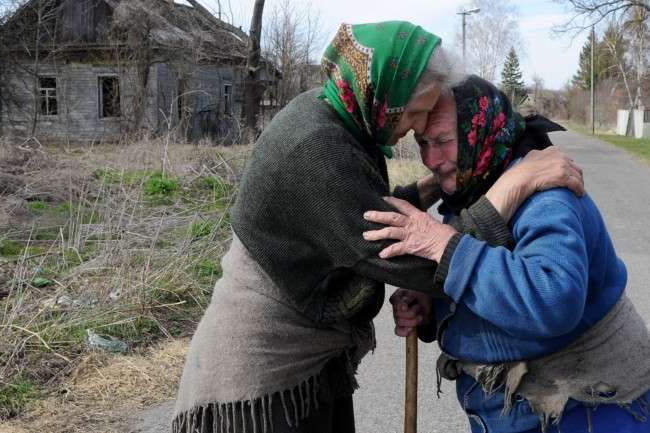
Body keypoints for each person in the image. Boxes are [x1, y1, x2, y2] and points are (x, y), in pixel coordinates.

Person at [172, 22, 584, 433]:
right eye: (414, 114)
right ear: (384, 98)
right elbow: (426, 261)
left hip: (312, 363)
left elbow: (373, 211)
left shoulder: (335, 111)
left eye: (432, 126)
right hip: (262, 373)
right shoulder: (316, 151)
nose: (412, 128)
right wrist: (513, 185)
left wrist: (438, 182)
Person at [363, 75, 650, 433]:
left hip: (588, 410)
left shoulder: (545, 193)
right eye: (423, 142)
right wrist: (433, 308)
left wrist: (445, 248)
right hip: (516, 414)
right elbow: (490, 280)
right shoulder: (476, 187)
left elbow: (553, 299)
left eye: (443, 141)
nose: (431, 159)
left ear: (479, 131)